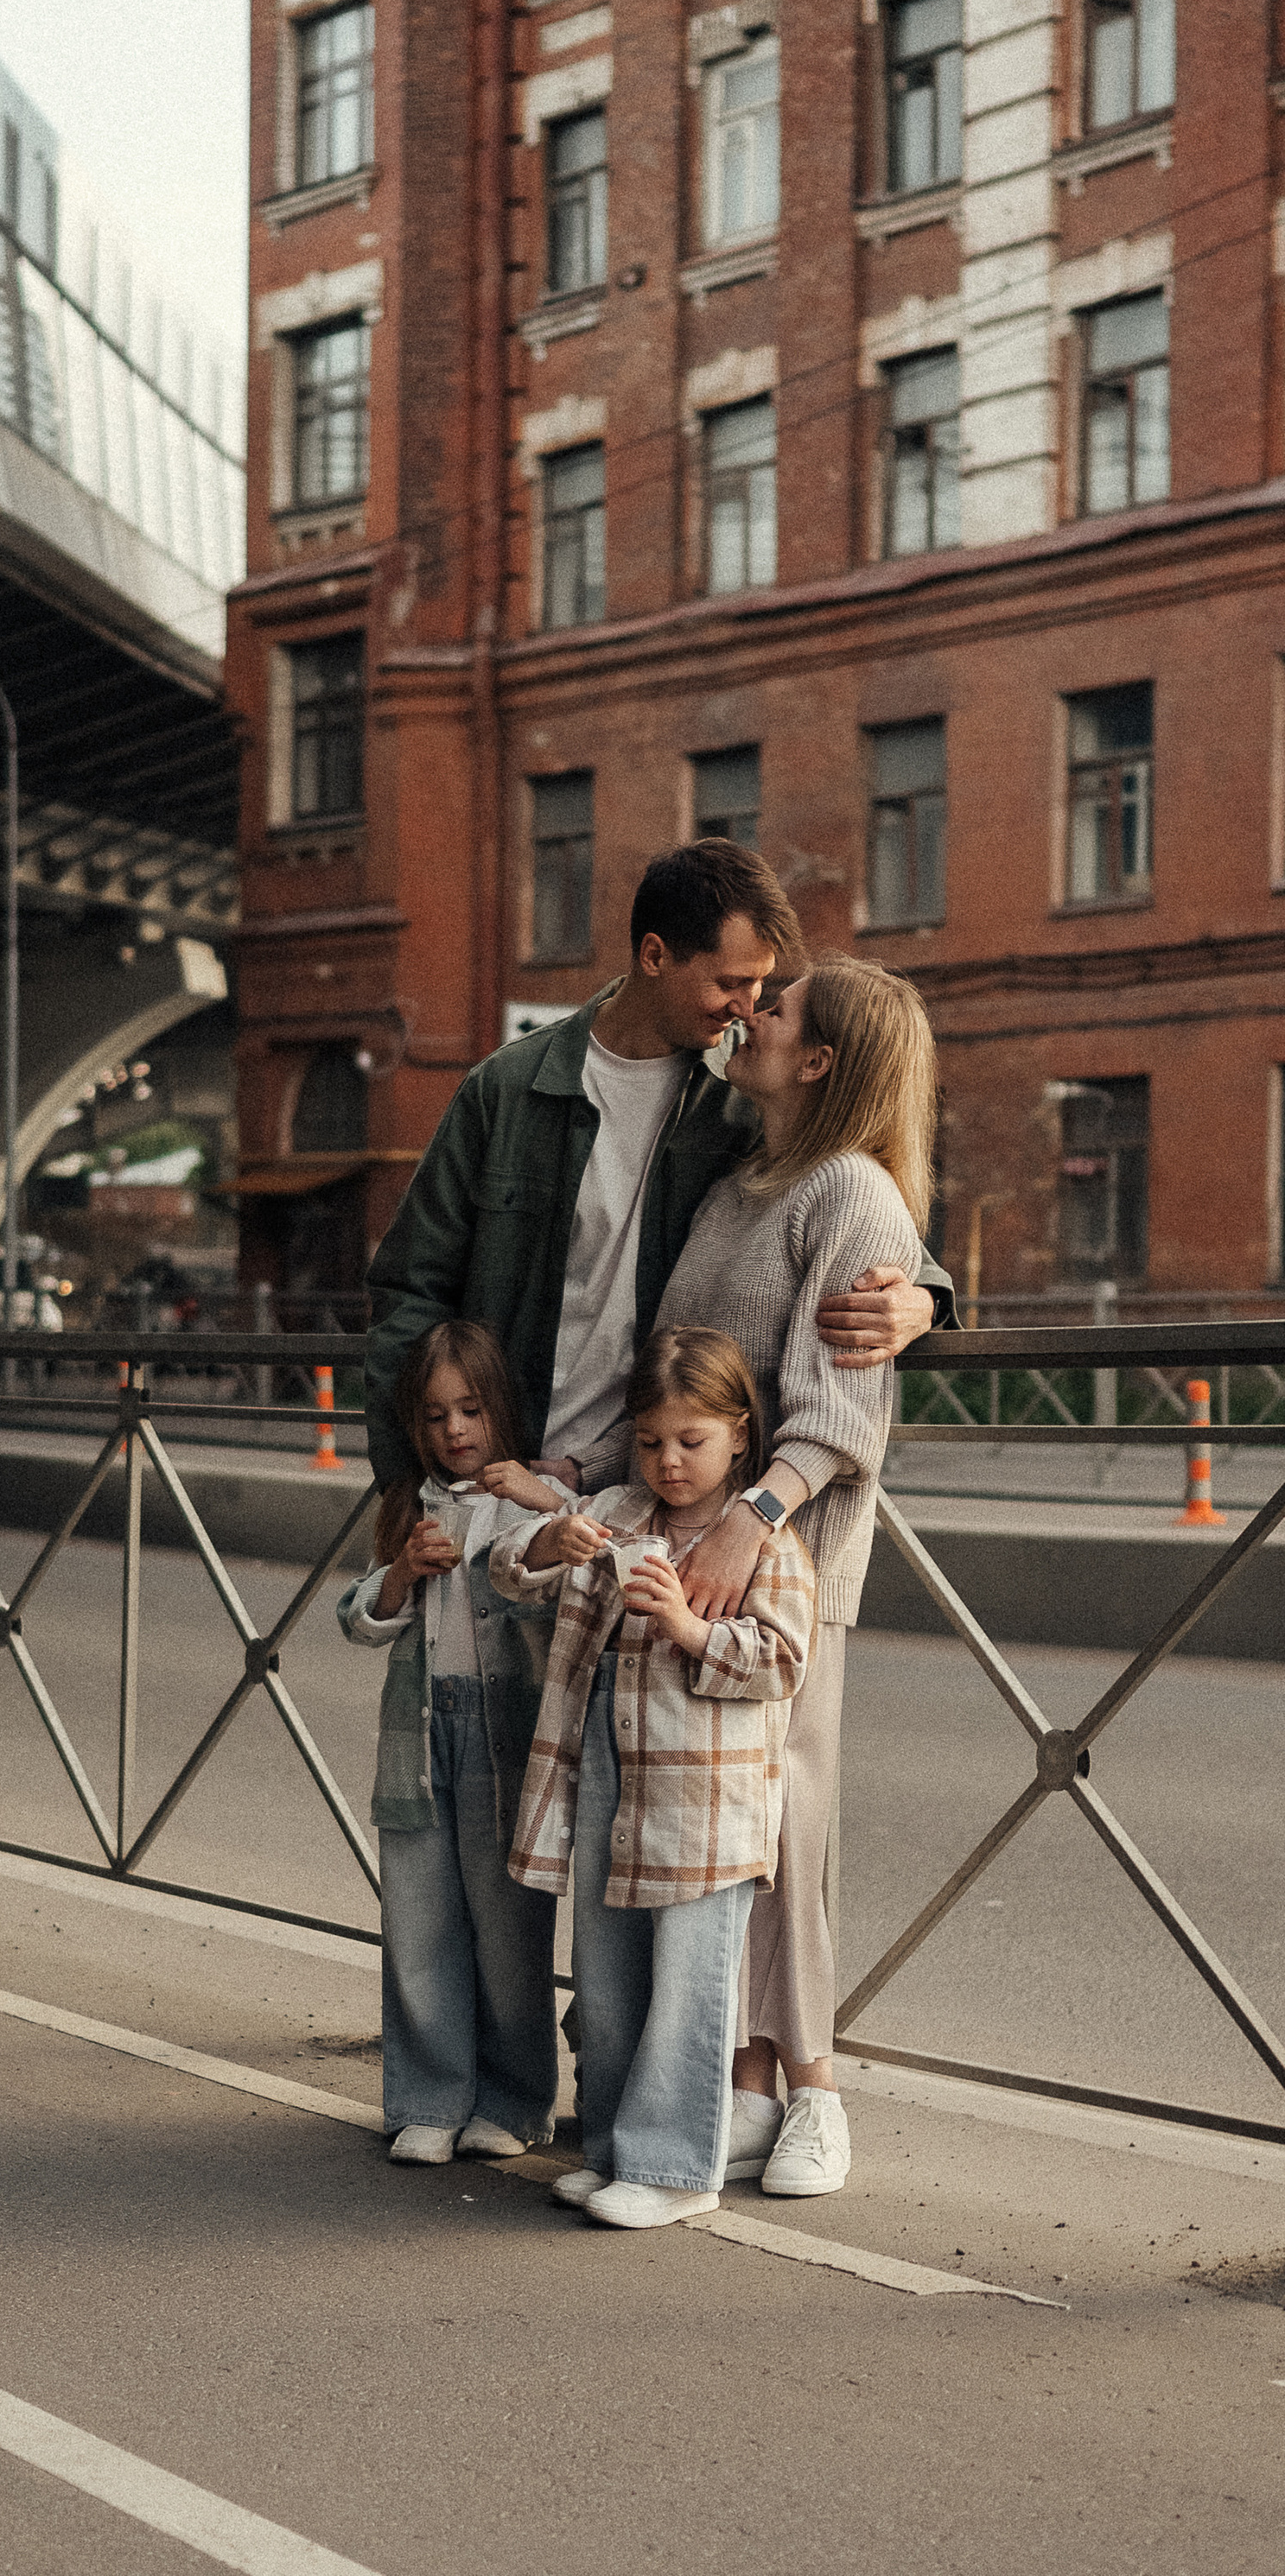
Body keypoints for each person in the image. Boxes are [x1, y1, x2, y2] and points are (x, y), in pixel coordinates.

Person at [364, 846, 941, 1526]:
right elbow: (410, 1289)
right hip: (494, 1477)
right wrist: (403, 1483)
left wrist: (925, 1297)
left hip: (642, 1495)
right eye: (731, 980)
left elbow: (846, 1204)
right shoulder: (506, 1089)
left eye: (761, 987)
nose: (748, 1008)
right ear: (656, 955)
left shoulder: (738, 1105)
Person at [627, 954, 935, 2201]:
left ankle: (817, 2085)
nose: (751, 1013)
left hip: (790, 1556)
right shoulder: (740, 1183)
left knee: (790, 1817)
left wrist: (752, 1522)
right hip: (704, 1539)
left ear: (819, 1061)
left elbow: (840, 1413)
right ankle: (746, 2073)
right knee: (727, 1820)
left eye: (780, 1008)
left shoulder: (853, 1193)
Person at [491, 1325, 812, 2227]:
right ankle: (615, 2151)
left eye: (691, 1441)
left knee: (689, 1985)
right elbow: (512, 1577)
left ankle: (678, 2169)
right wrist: (547, 1545)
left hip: (707, 1802)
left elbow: (782, 1662)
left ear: (741, 1435)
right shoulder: (621, 1517)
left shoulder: (760, 1546)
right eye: (650, 1442)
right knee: (608, 1975)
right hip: (607, 1778)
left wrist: (688, 1626)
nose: (668, 1462)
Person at [335, 1321, 567, 2163]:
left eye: (470, 1409)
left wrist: (549, 1505)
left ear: (498, 1409)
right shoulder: (412, 1506)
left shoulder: (531, 1498)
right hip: (418, 1739)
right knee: (420, 1917)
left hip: (504, 1741)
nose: (454, 1430)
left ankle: (512, 2100)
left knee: (508, 1929)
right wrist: (399, 1575)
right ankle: (428, 2095)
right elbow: (356, 1619)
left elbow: (580, 1568)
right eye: (434, 1415)